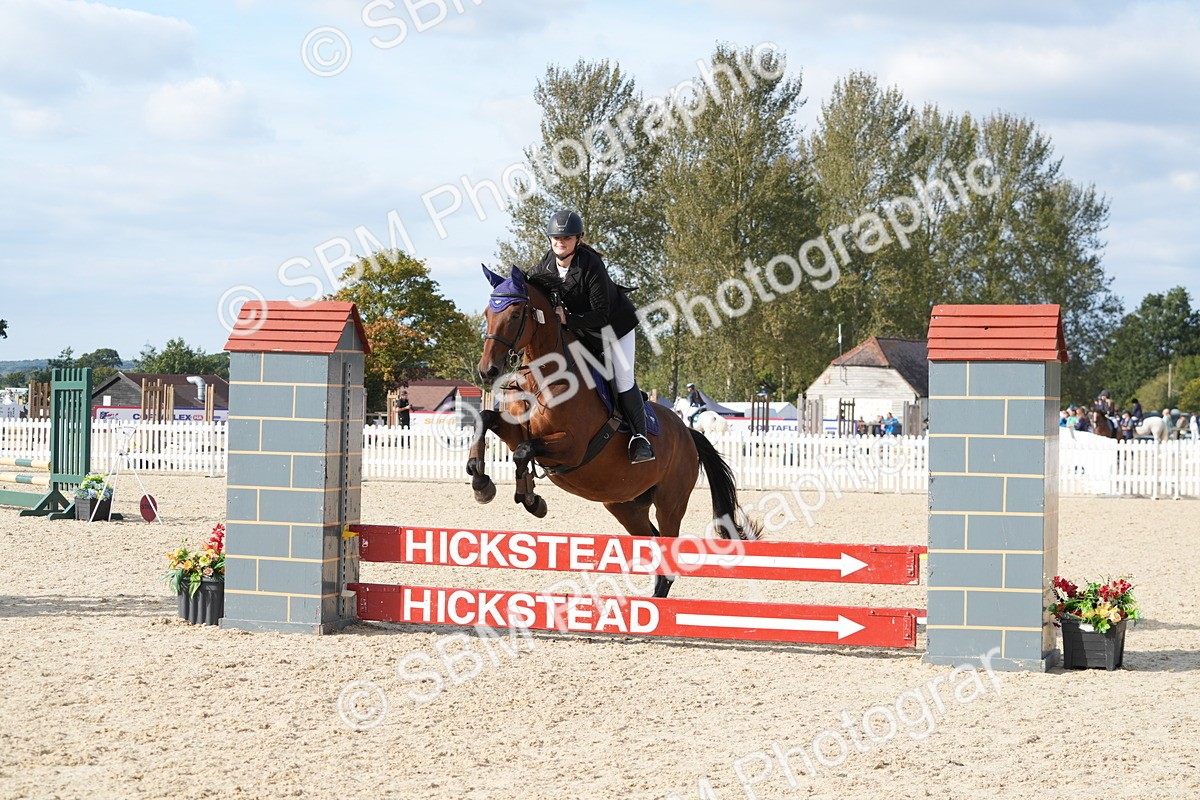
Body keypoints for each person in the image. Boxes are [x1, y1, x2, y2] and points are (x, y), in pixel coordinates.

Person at [528, 209, 654, 463]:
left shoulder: (590, 264)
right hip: (581, 330)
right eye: (556, 238)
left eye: (566, 238)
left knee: (621, 377)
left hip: (614, 328)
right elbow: (528, 281)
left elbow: (602, 315)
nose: (560, 242)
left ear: (578, 240)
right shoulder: (547, 263)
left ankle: (640, 439)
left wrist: (567, 320)